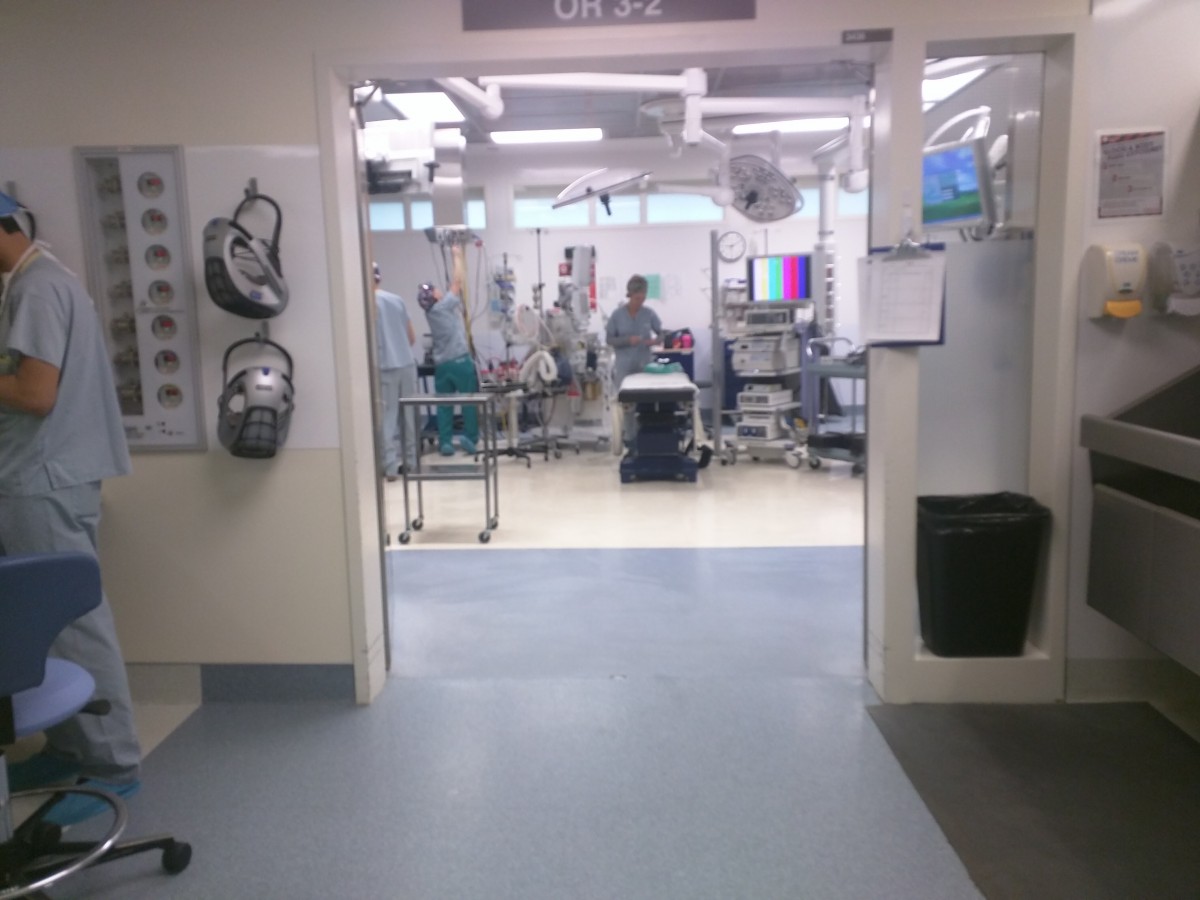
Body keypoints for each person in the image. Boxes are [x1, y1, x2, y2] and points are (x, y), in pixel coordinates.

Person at [0, 190, 142, 825]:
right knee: (45, 622)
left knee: (73, 621)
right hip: (47, 476)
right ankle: (69, 747)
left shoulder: (37, 289)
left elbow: (35, 394)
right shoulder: (41, 281)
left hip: (43, 479)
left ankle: (114, 765)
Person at [422, 243, 479, 456]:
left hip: (442, 366)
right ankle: (470, 438)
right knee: (468, 401)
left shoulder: (430, 313)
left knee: (444, 404)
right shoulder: (444, 305)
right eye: (435, 289)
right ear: (435, 297)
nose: (439, 289)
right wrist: (457, 256)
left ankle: (445, 442)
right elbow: (457, 282)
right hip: (460, 362)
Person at [606, 274, 664, 446]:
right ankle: (630, 439)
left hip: (644, 365)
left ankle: (648, 438)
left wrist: (656, 341)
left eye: (643, 298)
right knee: (627, 404)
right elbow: (609, 339)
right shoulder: (617, 315)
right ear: (630, 295)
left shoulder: (649, 314)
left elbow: (662, 333)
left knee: (646, 401)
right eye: (637, 298)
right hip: (624, 366)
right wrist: (627, 340)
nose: (640, 302)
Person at [373, 262, 418, 480]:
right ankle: (411, 462)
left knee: (387, 417)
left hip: (385, 367)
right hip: (407, 364)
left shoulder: (366, 304)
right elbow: (412, 338)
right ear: (379, 278)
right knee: (409, 416)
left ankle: (390, 467)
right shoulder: (397, 300)